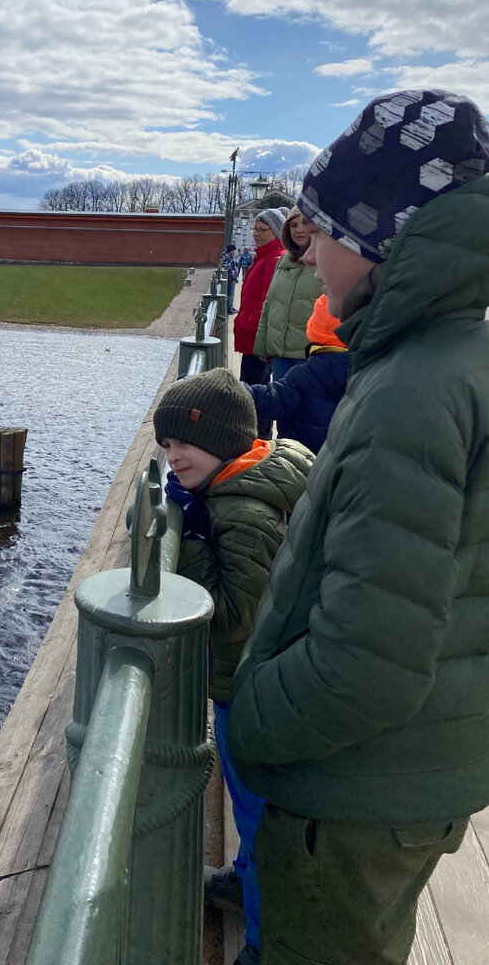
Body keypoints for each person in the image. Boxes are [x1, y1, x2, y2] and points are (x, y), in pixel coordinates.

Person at [228, 89, 489, 965]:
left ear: (383, 240)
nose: (313, 248)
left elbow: (369, 662)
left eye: (326, 227)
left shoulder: (413, 391)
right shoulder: (457, 355)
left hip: (354, 792)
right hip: (416, 771)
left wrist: (251, 719)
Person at [154, 368, 313, 965]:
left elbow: (230, 619)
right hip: (269, 678)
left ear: (223, 441)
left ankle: (262, 944)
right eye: (165, 447)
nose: (172, 459)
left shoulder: (242, 512)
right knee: (255, 815)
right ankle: (243, 880)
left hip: (251, 688)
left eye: (182, 445)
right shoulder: (264, 471)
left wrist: (190, 535)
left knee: (260, 817)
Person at [243, 293, 349, 452]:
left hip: (302, 462)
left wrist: (239, 391)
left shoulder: (306, 375)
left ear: (314, 331)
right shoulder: (369, 372)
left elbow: (271, 399)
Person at [233, 207, 288, 429]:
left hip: (258, 342)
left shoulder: (273, 259)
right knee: (252, 388)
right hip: (251, 338)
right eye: (255, 229)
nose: (256, 233)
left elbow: (270, 303)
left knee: (256, 392)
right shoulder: (264, 257)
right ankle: (254, 436)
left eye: (262, 230)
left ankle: (257, 439)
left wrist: (265, 343)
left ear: (276, 232)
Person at [253, 207, 323, 380]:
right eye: (292, 225)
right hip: (281, 356)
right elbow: (270, 304)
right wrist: (263, 346)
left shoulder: (326, 260)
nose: (298, 230)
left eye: (304, 224)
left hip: (310, 356)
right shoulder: (284, 260)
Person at [220, 243, 241, 313]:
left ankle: (230, 307)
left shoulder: (229, 256)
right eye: (234, 250)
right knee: (229, 294)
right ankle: (229, 309)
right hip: (229, 279)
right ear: (231, 251)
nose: (235, 252)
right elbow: (229, 268)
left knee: (231, 294)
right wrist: (234, 278)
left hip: (230, 279)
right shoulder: (228, 257)